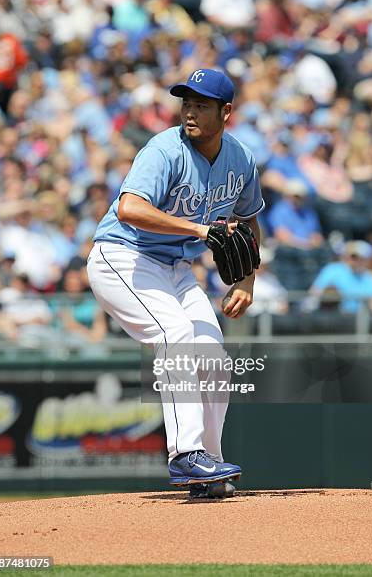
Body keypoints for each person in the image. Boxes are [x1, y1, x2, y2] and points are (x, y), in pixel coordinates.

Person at [87, 68, 264, 499]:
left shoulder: (239, 159)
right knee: (177, 335)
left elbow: (250, 217)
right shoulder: (164, 150)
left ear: (225, 112)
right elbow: (129, 208)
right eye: (186, 102)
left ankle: (210, 468)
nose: (190, 111)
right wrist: (201, 231)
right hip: (123, 257)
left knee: (214, 357)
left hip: (175, 269)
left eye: (201, 104)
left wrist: (246, 280)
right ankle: (186, 455)